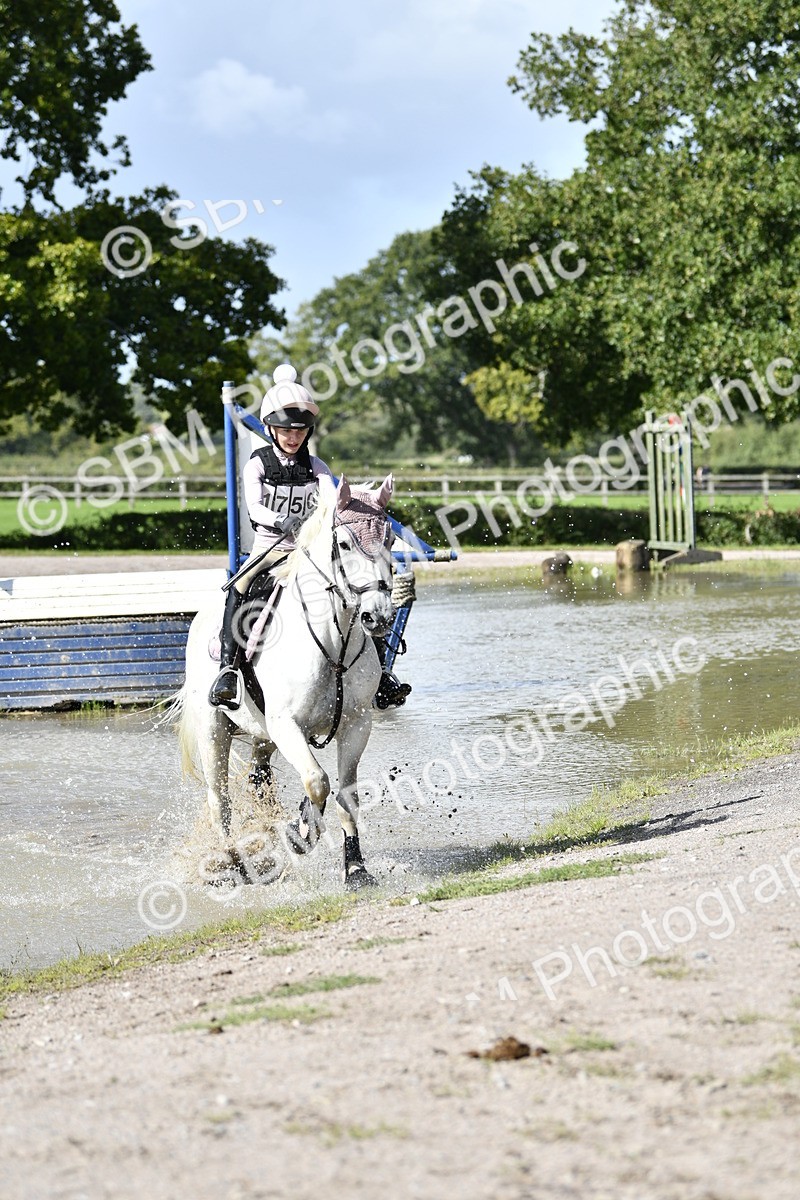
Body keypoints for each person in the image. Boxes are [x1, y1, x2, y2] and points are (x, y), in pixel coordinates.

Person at [208, 363, 412, 711]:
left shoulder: (318, 468)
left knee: (357, 592)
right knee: (241, 587)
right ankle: (229, 669)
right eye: (286, 430)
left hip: (309, 550)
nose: (293, 437)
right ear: (271, 429)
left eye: (300, 431)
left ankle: (381, 674)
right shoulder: (256, 465)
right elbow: (254, 508)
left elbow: (332, 504)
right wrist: (281, 519)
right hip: (270, 548)